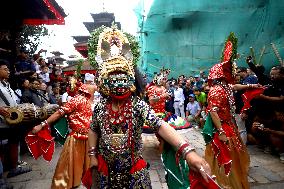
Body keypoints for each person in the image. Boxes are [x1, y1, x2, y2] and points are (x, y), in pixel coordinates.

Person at [88, 27, 211, 188]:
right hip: (105, 174)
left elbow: (160, 125)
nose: (119, 82)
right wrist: (92, 155)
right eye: (113, 77)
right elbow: (93, 129)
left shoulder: (137, 104)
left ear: (131, 78)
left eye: (123, 77)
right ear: (104, 80)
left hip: (134, 175)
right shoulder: (100, 107)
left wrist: (189, 152)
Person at [203, 34, 250, 189]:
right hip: (223, 127)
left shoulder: (225, 87)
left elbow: (235, 87)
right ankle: (222, 183)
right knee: (223, 155)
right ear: (222, 74)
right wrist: (221, 131)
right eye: (230, 70)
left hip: (230, 125)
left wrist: (251, 87)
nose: (233, 72)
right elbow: (213, 112)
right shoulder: (216, 90)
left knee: (234, 153)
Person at [32, 84, 93, 189]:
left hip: (81, 138)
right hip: (84, 138)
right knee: (79, 165)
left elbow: (59, 113)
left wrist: (42, 124)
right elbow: (59, 113)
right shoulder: (83, 101)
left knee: (70, 166)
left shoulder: (79, 100)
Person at [0, 59, 31, 179]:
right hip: (1, 123)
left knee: (14, 143)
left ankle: (13, 168)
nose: (8, 71)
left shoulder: (6, 84)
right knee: (1, 147)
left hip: (11, 121)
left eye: (8, 69)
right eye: (5, 69)